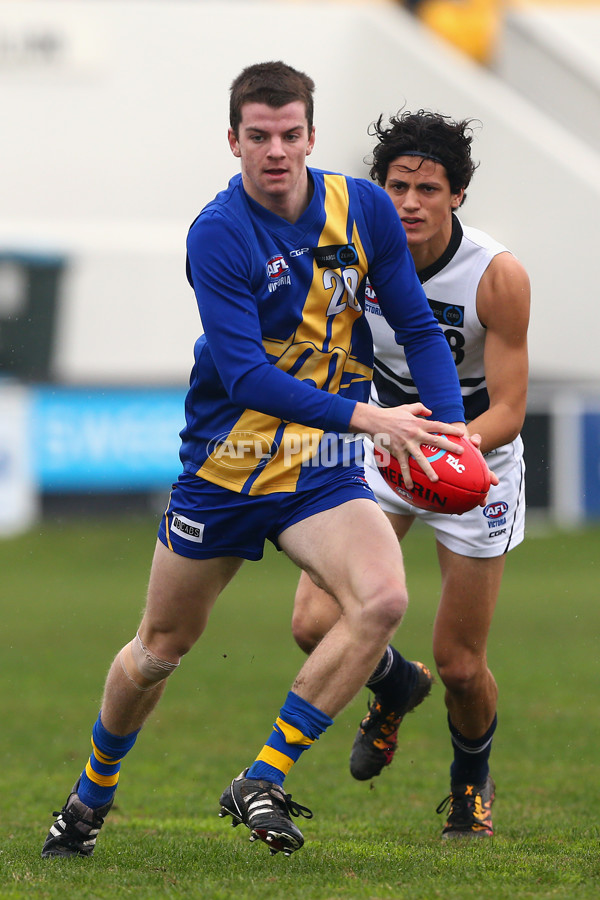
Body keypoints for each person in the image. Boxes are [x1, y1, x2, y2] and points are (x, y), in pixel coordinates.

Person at [41, 64, 468, 860]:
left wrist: (445, 427)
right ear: (233, 140)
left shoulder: (363, 206)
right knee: (158, 650)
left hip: (323, 461)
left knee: (379, 599)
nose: (277, 150)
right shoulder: (219, 231)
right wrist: (371, 416)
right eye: (259, 136)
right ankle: (89, 797)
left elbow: (413, 323)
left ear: (311, 134)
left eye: (291, 135)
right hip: (229, 461)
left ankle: (263, 778)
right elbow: (246, 377)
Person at [292, 110, 530, 839]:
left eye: (429, 188)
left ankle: (469, 781)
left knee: (461, 665)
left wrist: (447, 445)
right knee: (313, 623)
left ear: (456, 195)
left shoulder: (497, 276)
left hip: (472, 462)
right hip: (387, 444)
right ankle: (394, 684)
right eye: (398, 185)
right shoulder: (351, 254)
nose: (411, 202)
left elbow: (512, 410)